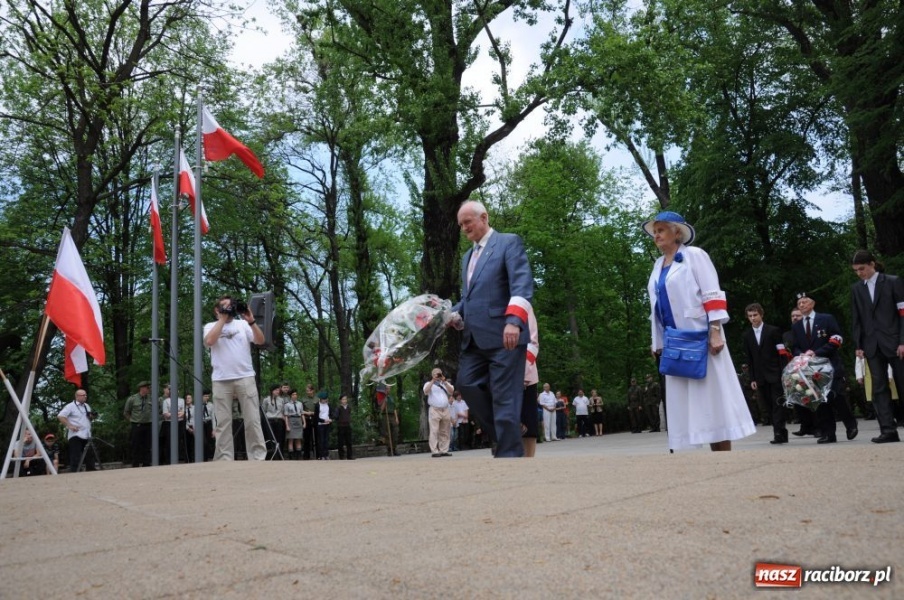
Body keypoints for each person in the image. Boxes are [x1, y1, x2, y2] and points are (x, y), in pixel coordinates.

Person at [643, 211, 756, 451]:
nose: (656, 235)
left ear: (677, 232)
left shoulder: (695, 256)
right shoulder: (657, 266)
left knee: (710, 401)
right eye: (654, 232)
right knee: (681, 404)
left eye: (661, 230)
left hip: (701, 340)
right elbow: (657, 307)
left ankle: (721, 457)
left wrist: (715, 331)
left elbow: (712, 294)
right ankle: (689, 462)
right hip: (674, 344)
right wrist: (657, 342)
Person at [452, 200, 533, 458]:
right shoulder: (467, 257)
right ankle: (507, 434)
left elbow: (521, 284)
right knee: (466, 384)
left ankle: (509, 457)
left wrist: (514, 321)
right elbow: (469, 298)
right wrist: (451, 314)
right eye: (461, 225)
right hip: (473, 338)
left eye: (468, 222)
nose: (464, 229)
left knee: (504, 397)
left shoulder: (508, 242)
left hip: (505, 336)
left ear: (484, 217)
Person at [203, 295, 267, 461]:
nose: (230, 308)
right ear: (217, 310)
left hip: (245, 376)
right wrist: (222, 320)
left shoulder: (243, 324)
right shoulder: (210, 326)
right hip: (220, 379)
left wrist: (251, 320)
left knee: (252, 419)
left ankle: (257, 457)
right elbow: (210, 341)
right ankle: (224, 459)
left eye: (231, 305)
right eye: (225, 306)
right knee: (223, 422)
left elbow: (260, 340)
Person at [850, 250, 904, 443]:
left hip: (895, 343)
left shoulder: (892, 281)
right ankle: (888, 430)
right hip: (871, 345)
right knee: (879, 388)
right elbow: (857, 319)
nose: (859, 273)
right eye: (856, 270)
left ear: (872, 264)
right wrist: (858, 344)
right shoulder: (857, 289)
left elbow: (902, 313)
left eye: (862, 269)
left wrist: (902, 341)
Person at [791, 292, 858, 444]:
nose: (801, 305)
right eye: (799, 303)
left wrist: (817, 353)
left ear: (812, 303)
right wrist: (801, 356)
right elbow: (794, 347)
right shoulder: (797, 326)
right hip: (811, 369)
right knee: (820, 401)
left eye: (804, 302)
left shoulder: (826, 319)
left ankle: (850, 424)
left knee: (836, 396)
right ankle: (829, 433)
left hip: (830, 366)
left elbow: (836, 339)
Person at [742, 303, 790, 444]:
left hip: (775, 373)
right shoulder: (747, 335)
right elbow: (749, 358)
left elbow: (781, 353)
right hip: (760, 376)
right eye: (750, 316)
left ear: (761, 314)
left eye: (755, 315)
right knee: (768, 405)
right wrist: (752, 378)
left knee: (777, 403)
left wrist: (784, 372)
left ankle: (779, 433)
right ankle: (781, 431)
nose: (753, 318)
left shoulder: (773, 331)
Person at [58, 389, 97, 471]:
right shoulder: (70, 406)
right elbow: (61, 416)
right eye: (83, 395)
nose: (85, 397)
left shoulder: (86, 406)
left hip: (87, 434)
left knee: (90, 453)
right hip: (76, 434)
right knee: (76, 455)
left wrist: (91, 417)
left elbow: (88, 418)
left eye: (85, 395)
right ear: (77, 396)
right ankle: (75, 471)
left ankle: (91, 470)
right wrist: (70, 425)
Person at [521, 304, 540, 456]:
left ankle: (529, 461)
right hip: (500, 374)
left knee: (529, 422)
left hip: (525, 376)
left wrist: (523, 373)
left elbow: (532, 343)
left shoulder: (523, 305)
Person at [424, 367, 454, 457]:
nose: (438, 375)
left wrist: (444, 381)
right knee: (434, 430)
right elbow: (426, 391)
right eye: (436, 374)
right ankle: (435, 451)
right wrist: (433, 380)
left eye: (439, 373)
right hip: (434, 410)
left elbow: (451, 391)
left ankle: (444, 450)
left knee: (445, 431)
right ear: (432, 375)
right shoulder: (428, 384)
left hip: (445, 409)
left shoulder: (445, 383)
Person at [122, 380, 153, 467]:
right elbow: (126, 412)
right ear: (142, 388)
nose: (149, 389)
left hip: (148, 424)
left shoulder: (151, 398)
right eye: (147, 388)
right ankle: (135, 463)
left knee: (147, 445)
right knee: (136, 445)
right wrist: (132, 420)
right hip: (137, 424)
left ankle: (146, 463)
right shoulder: (132, 399)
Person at [160, 384, 186, 463]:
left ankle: (178, 458)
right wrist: (177, 414)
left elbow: (183, 412)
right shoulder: (166, 401)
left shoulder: (181, 400)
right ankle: (168, 460)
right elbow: (165, 414)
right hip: (169, 424)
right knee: (169, 441)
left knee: (179, 441)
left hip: (180, 423)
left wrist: (173, 414)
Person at [376, 383, 401, 456]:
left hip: (392, 416)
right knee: (387, 433)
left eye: (389, 388)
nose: (388, 390)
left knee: (395, 432)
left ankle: (394, 448)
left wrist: (396, 418)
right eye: (387, 388)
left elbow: (394, 408)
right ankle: (389, 450)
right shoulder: (381, 397)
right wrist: (385, 400)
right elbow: (381, 409)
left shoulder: (392, 397)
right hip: (385, 416)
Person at [262, 383, 286, 459]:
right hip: (270, 421)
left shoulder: (281, 400)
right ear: (272, 391)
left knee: (279, 439)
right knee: (270, 439)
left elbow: (282, 411)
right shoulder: (266, 400)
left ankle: (279, 456)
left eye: (278, 390)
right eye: (276, 390)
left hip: (278, 420)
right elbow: (264, 411)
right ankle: (269, 456)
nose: (277, 391)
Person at [283, 390, 305, 460]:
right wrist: (287, 425)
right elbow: (286, 416)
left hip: (298, 420)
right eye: (293, 394)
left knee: (298, 439)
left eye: (296, 394)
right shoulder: (287, 405)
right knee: (291, 439)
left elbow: (302, 414)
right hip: (291, 420)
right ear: (290, 396)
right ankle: (291, 456)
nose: (295, 396)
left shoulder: (300, 404)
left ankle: (299, 455)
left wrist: (304, 422)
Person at [300, 384, 318, 460]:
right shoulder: (303, 399)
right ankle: (306, 456)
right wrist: (307, 413)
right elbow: (301, 410)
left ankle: (318, 455)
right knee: (306, 438)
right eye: (306, 391)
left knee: (317, 437)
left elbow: (319, 410)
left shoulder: (317, 399)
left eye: (309, 390)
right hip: (306, 419)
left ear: (312, 390)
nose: (307, 392)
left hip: (315, 419)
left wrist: (313, 413)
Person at [334, 394, 354, 460]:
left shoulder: (349, 408)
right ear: (340, 400)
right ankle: (341, 456)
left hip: (347, 426)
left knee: (349, 441)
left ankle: (350, 456)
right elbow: (336, 416)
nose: (344, 401)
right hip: (341, 426)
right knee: (341, 442)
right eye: (343, 399)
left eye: (345, 399)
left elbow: (349, 415)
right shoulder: (338, 408)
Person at [315, 391, 332, 460]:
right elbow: (316, 417)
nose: (324, 400)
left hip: (327, 424)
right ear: (320, 399)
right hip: (320, 424)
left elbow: (330, 413)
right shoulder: (317, 405)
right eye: (323, 399)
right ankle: (321, 455)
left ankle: (326, 454)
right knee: (321, 440)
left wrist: (330, 419)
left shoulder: (328, 405)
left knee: (326, 440)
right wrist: (323, 420)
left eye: (325, 399)